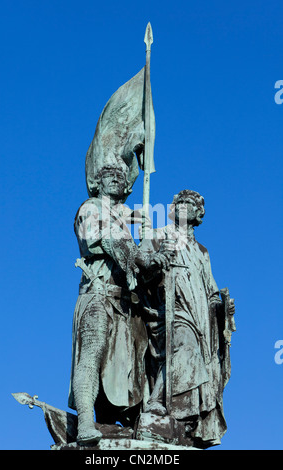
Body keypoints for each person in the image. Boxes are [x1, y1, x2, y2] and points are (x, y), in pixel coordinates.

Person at [68, 165, 170, 445]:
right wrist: (139, 256)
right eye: (109, 176)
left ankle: (136, 421)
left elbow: (140, 260)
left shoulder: (126, 219)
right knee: (93, 353)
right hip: (97, 294)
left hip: (127, 304)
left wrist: (153, 250)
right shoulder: (90, 208)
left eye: (122, 178)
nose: (117, 179)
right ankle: (86, 421)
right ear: (97, 183)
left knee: (134, 366)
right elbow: (103, 240)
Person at [139, 189, 235, 448]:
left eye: (189, 204)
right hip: (171, 309)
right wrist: (156, 261)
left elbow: (211, 290)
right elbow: (141, 266)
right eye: (178, 203)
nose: (182, 207)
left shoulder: (203, 251)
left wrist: (223, 309)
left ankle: (184, 421)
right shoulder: (161, 236)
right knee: (185, 348)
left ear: (198, 213)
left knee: (200, 362)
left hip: (201, 316)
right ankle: (156, 403)